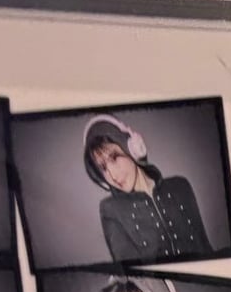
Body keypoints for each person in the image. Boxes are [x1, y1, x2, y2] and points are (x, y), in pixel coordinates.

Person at [83, 113, 212, 264]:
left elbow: (205, 248)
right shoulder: (111, 210)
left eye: (114, 157)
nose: (113, 175)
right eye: (103, 168)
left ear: (132, 148)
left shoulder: (180, 186)